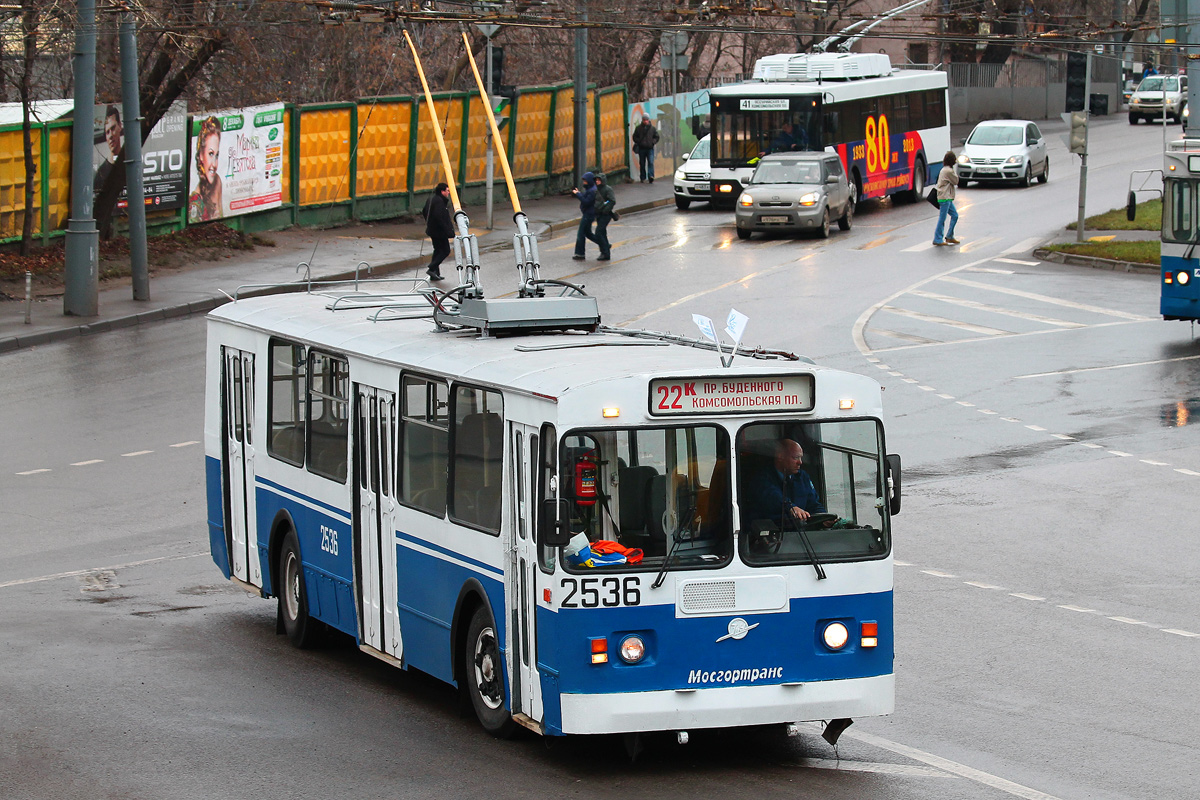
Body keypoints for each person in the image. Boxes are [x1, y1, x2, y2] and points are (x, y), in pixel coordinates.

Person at [744, 439, 830, 528]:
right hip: (773, 535)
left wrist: (824, 517)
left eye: (801, 458)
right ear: (780, 457)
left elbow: (813, 503)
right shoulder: (762, 477)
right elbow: (772, 496)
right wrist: (791, 507)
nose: (800, 462)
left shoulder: (802, 477)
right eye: (795, 458)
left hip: (802, 536)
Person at [188, 115, 223, 222]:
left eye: (216, 155)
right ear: (201, 155)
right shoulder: (195, 201)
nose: (214, 164)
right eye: (210, 154)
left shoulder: (217, 181)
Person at [422, 181, 453, 281]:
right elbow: (440, 218)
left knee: (438, 250)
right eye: (447, 191)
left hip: (432, 230)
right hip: (439, 231)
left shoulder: (432, 199)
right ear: (442, 191)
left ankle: (435, 273)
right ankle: (431, 268)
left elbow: (424, 211)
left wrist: (429, 222)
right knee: (445, 250)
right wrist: (448, 230)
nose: (448, 193)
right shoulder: (439, 202)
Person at [932, 150, 960, 246]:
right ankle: (937, 238)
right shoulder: (948, 171)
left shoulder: (944, 169)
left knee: (955, 215)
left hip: (946, 198)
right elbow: (956, 181)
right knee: (942, 218)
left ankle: (949, 236)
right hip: (945, 198)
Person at [571, 171, 598, 261]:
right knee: (588, 233)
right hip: (589, 214)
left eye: (585, 181)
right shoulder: (591, 189)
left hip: (588, 214)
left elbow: (586, 201)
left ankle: (580, 253)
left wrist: (578, 194)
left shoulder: (591, 191)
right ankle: (604, 244)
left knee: (581, 234)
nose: (584, 183)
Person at [94, 105, 123, 188]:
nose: (110, 136)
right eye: (107, 132)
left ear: (120, 126)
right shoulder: (101, 173)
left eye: (113, 128)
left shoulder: (129, 163)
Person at [590, 172, 616, 261]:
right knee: (602, 233)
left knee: (599, 232)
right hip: (598, 214)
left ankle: (605, 252)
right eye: (596, 180)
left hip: (606, 214)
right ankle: (606, 249)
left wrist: (605, 210)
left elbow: (612, 201)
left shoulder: (607, 189)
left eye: (599, 180)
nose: (597, 182)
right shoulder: (595, 189)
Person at [631, 113, 659, 183]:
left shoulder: (652, 129)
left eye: (646, 120)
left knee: (650, 162)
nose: (645, 121)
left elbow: (657, 136)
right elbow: (634, 137)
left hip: (650, 148)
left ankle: (651, 176)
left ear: (648, 120)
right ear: (642, 120)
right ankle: (643, 177)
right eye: (644, 120)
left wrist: (653, 142)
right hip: (642, 148)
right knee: (642, 163)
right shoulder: (638, 128)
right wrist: (639, 141)